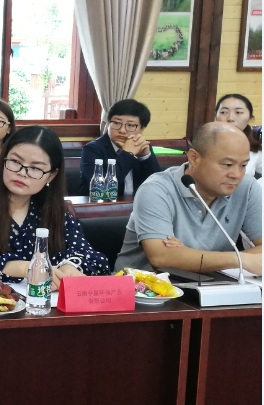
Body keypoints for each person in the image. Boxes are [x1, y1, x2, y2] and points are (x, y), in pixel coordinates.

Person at [0, 126, 109, 287]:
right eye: (15, 162)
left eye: (36, 168)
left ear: (51, 175)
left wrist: (70, 266)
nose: (22, 173)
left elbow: (94, 259)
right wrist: (24, 268)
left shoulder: (53, 206)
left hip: (43, 301)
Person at [115, 122, 262, 275]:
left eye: (243, 165)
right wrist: (240, 259)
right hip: (141, 286)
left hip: (210, 282)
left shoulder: (247, 187)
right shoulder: (156, 189)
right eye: (227, 164)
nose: (236, 175)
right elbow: (161, 258)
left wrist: (187, 255)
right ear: (194, 158)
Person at [81, 99, 161, 197]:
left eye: (130, 125)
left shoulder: (141, 146)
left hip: (136, 205)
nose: (122, 130)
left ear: (142, 129)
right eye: (116, 123)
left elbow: (158, 186)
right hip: (100, 205)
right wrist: (128, 153)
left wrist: (145, 157)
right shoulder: (92, 149)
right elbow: (103, 189)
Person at [215, 93, 262, 178]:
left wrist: (252, 185)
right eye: (223, 112)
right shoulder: (204, 143)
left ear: (250, 119)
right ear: (216, 116)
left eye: (238, 112)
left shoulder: (255, 149)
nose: (230, 118)